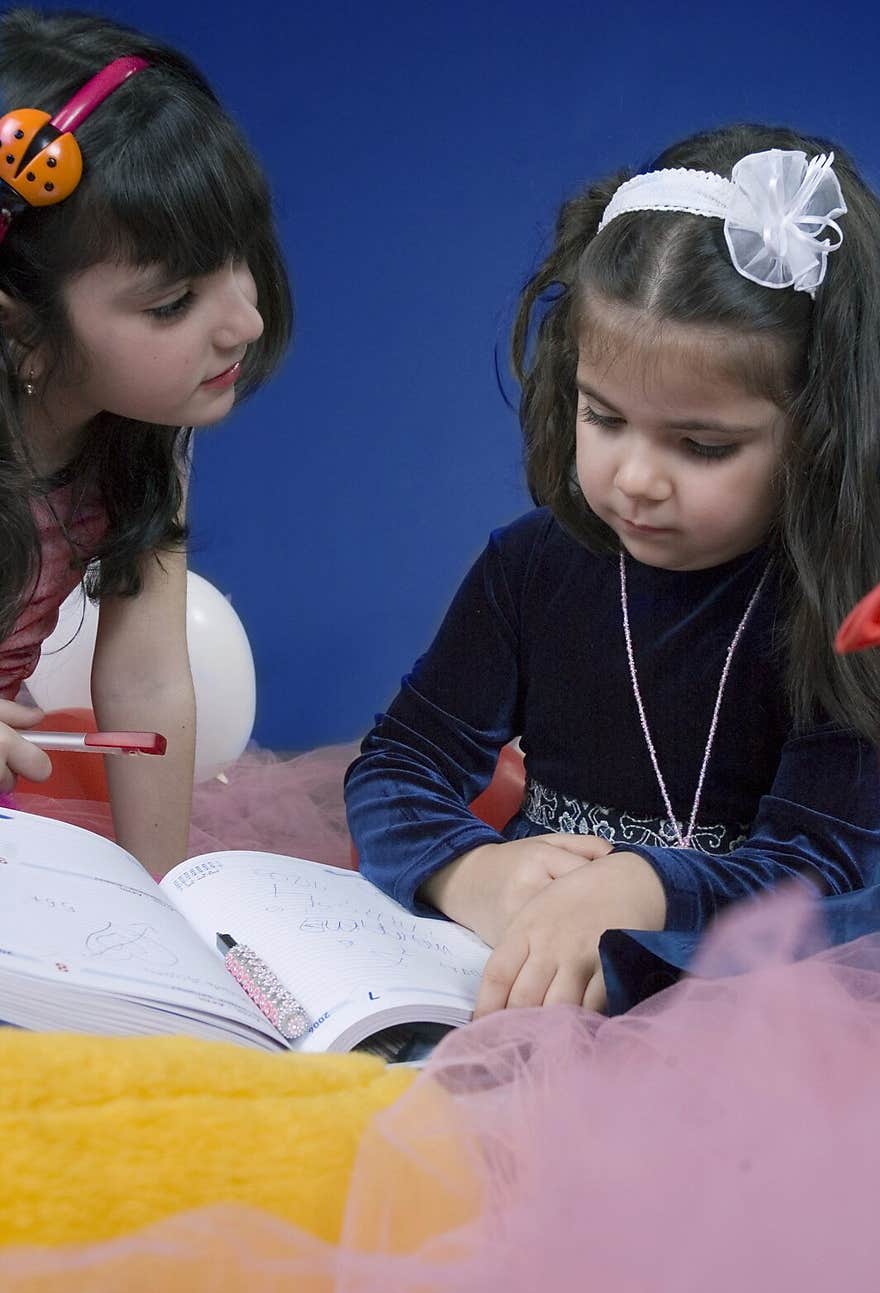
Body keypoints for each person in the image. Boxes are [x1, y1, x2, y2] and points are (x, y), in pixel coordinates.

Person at [345, 123, 880, 1014]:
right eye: (604, 418)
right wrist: (473, 872)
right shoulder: (532, 568)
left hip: (745, 1011)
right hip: (530, 996)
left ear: (818, 436)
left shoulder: (846, 611)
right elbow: (398, 765)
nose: (635, 479)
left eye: (703, 445)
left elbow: (825, 871)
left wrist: (644, 888)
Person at [0, 8, 291, 877]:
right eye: (173, 303)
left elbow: (147, 679)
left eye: (238, 257)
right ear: (22, 332)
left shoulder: (142, 432)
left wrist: (159, 903)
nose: (244, 318)